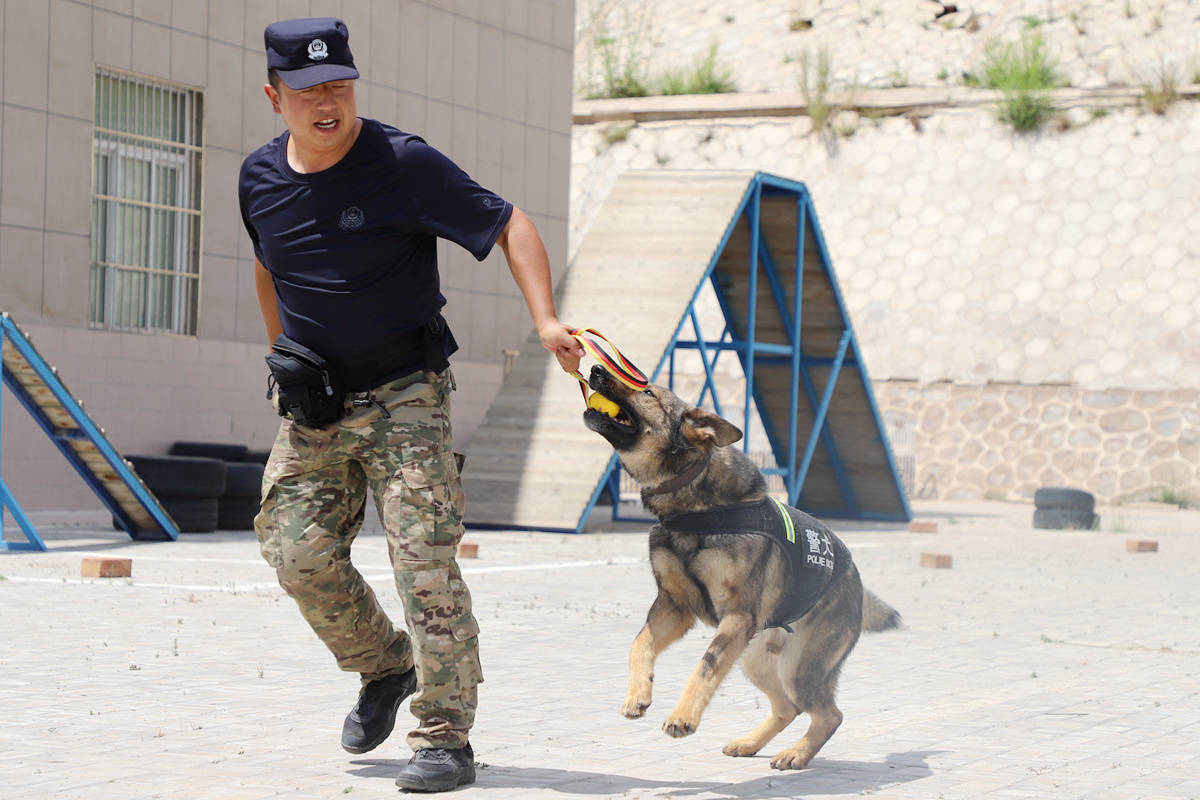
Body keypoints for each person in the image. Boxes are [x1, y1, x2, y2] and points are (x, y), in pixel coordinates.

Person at [238, 17, 583, 793]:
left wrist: (547, 319)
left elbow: (509, 224)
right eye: (307, 90)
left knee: (422, 557)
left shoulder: (402, 162)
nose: (327, 102)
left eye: (340, 85)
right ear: (274, 97)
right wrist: (281, 353)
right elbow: (269, 265)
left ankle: (444, 735)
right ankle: (383, 666)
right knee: (294, 553)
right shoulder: (258, 178)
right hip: (317, 400)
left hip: (406, 392)